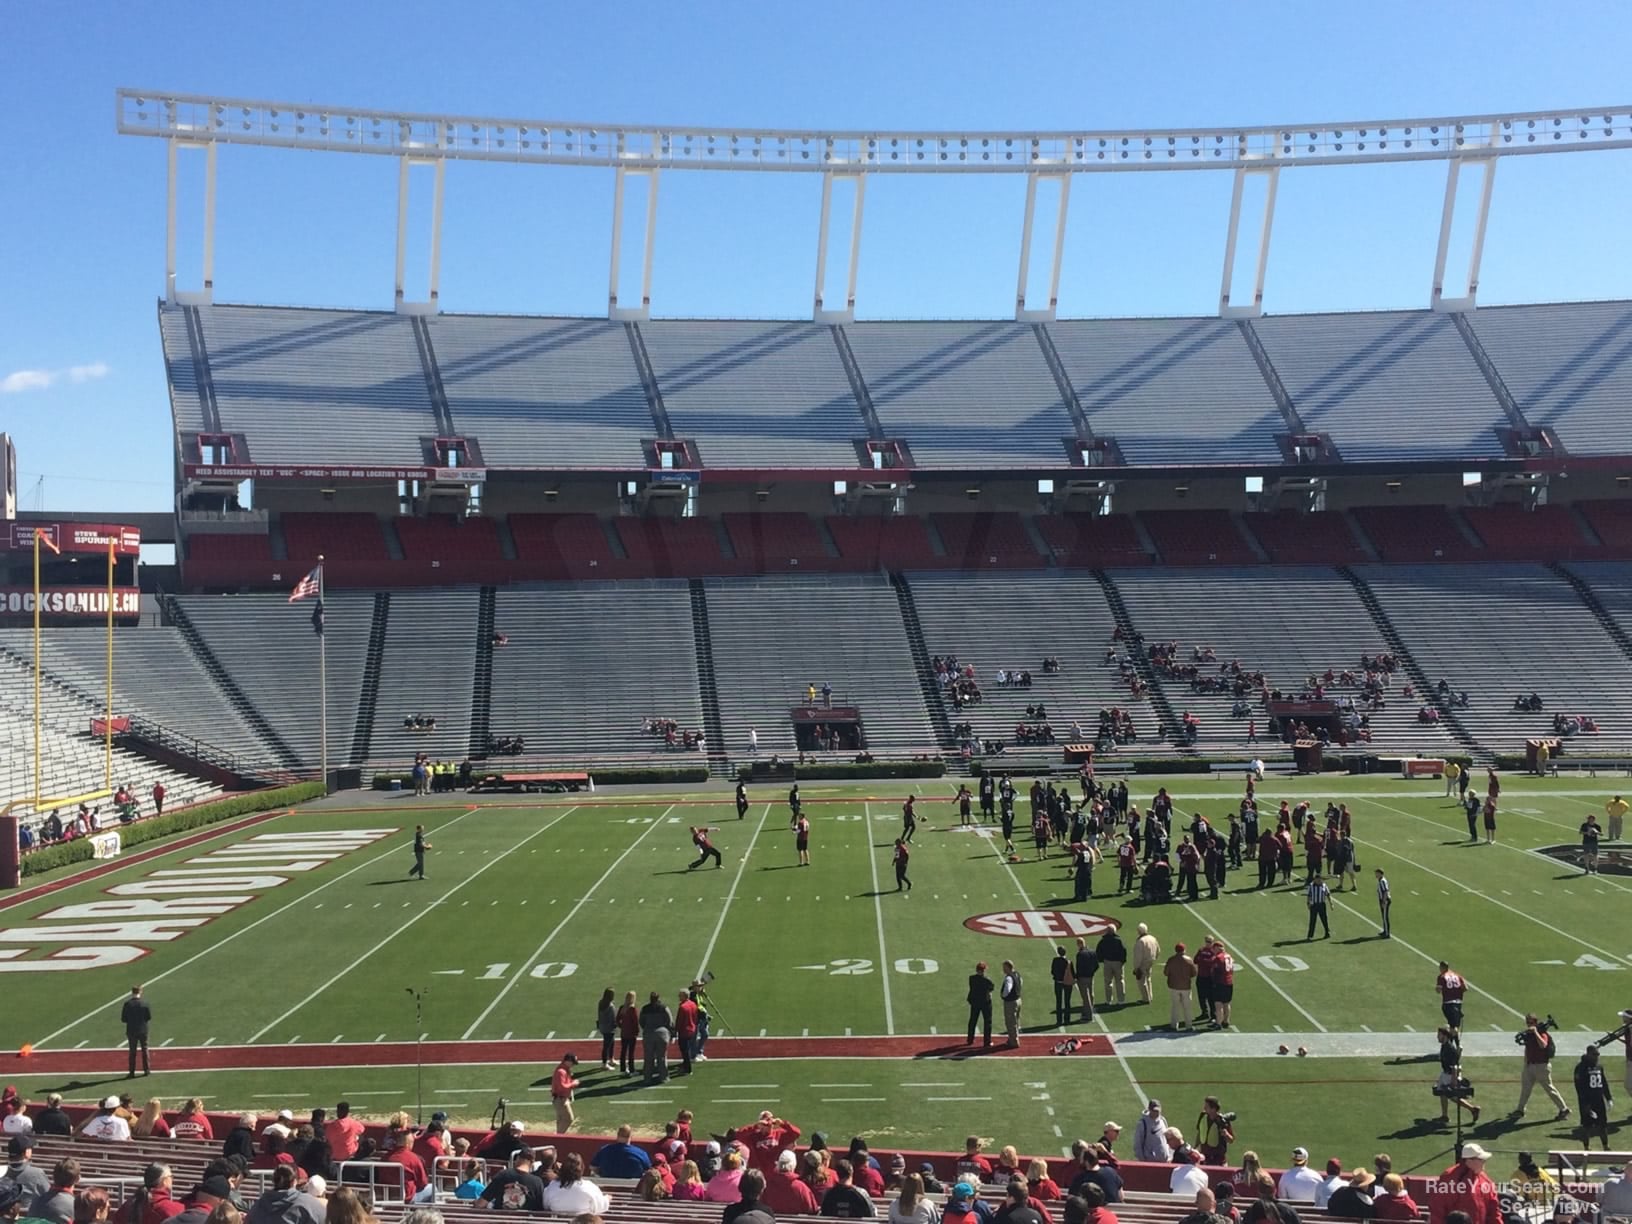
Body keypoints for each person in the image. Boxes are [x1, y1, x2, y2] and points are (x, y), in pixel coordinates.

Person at [1513, 1014, 1571, 1120]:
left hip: (1541, 1066)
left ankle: (1564, 1109)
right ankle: (1520, 1110)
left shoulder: (1543, 1034)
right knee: (1525, 1089)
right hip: (1530, 1065)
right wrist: (1526, 1062)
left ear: (1535, 1023)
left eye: (1531, 1022)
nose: (1529, 1025)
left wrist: (1535, 1032)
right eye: (1527, 1022)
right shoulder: (1529, 1035)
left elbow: (1543, 1045)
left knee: (1550, 1089)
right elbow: (1527, 1048)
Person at [1426, 1143, 1499, 1224]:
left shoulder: (1485, 1180)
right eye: (1482, 1160)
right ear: (1469, 1160)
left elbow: (1494, 1211)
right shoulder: (1449, 1179)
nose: (1484, 1163)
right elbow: (1437, 1210)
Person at [1573, 1044, 1614, 1150]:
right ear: (1588, 1054)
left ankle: (1606, 1146)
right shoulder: (1580, 1067)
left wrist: (1608, 1098)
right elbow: (1579, 1087)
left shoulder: (1599, 1067)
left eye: (1598, 1054)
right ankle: (1586, 1147)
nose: (1596, 1057)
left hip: (1599, 1100)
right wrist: (1585, 1104)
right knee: (1587, 1126)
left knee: (1603, 1124)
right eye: (1594, 1054)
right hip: (1587, 1100)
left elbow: (1604, 1083)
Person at [542, 1154, 609, 1217]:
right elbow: (600, 1206)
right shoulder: (589, 1187)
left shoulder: (552, 1186)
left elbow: (545, 1205)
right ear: (582, 1168)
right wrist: (607, 1199)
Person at [122, 986, 152, 1079]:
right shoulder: (145, 1003)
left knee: (132, 1051)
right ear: (140, 992)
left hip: (131, 1030)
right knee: (145, 1049)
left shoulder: (127, 1004)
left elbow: (123, 1019)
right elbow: (148, 1017)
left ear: (132, 992)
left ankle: (131, 1072)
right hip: (143, 1029)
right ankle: (146, 1070)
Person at [1165, 944, 1196, 1032]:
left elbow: (1166, 972)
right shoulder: (1189, 960)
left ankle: (1174, 1025)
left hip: (1174, 986)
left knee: (1175, 1006)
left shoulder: (1171, 960)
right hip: (1186, 986)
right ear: (1184, 950)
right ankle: (1189, 1026)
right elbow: (1194, 973)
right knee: (1187, 1007)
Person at [1195, 1098, 1233, 1165]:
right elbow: (1200, 1133)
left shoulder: (1222, 1121)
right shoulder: (1203, 1116)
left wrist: (1226, 1134)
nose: (1204, 1108)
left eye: (1207, 1107)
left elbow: (1231, 1140)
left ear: (1213, 1109)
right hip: (1203, 1158)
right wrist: (1195, 1148)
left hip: (1218, 1160)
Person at [550, 1052, 580, 1133]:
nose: (573, 1065)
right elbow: (562, 1086)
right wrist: (573, 1084)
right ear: (568, 1061)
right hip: (561, 1099)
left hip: (560, 1099)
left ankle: (558, 1135)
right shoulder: (561, 1072)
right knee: (568, 1119)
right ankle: (559, 1136)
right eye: (573, 1063)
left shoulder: (564, 1070)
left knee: (561, 1119)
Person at [1096, 928, 1127, 1008]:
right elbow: (1123, 951)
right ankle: (1121, 1000)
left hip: (1107, 962)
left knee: (1108, 982)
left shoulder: (1103, 940)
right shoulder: (1118, 940)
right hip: (1118, 963)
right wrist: (1122, 961)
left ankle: (1108, 1000)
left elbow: (1098, 950)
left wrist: (1101, 960)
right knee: (1120, 981)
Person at [967, 962, 994, 1049]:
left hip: (975, 1002)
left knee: (973, 1020)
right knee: (987, 1022)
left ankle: (970, 1039)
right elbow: (991, 987)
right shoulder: (987, 980)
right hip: (985, 1003)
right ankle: (987, 1041)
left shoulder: (971, 978)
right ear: (984, 970)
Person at [1131, 924, 1160, 1005]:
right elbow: (1158, 950)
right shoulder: (1153, 938)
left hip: (1143, 962)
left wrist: (1136, 968)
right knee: (1148, 979)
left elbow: (1138, 956)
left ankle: (1145, 999)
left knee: (1141, 981)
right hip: (1151, 961)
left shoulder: (1140, 941)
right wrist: (1154, 958)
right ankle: (1150, 996)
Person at [1436, 962, 1466, 1036]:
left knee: (1453, 1026)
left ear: (1442, 967)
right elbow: (1465, 988)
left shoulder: (1442, 977)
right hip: (1458, 1003)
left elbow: (1438, 990)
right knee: (1454, 1026)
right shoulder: (1457, 975)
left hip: (1448, 1003)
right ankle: (1455, 1044)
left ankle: (1454, 1044)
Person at [1073, 938, 1099, 1023]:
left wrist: (1076, 977)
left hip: (1083, 977)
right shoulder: (1092, 952)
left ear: (1079, 944)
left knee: (1085, 996)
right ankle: (1087, 1012)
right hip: (1090, 976)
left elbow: (1079, 967)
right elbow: (1096, 965)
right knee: (1091, 994)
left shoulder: (1080, 954)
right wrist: (1091, 972)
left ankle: (1088, 1015)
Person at [1000, 960, 1023, 1047]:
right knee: (1016, 1021)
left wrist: (1003, 995)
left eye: (1004, 967)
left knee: (1010, 1022)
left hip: (1011, 1002)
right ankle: (1013, 1038)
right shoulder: (1017, 974)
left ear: (1008, 967)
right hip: (1018, 1000)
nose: (1003, 969)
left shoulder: (1009, 978)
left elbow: (1007, 990)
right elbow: (1021, 983)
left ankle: (1014, 1042)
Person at [1051, 946, 1075, 1027]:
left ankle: (1059, 1020)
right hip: (1067, 983)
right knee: (1067, 1001)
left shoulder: (1055, 960)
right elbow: (1073, 973)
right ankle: (1067, 1020)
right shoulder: (1068, 961)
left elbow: (1052, 971)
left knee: (1059, 1001)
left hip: (1058, 982)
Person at [1304, 874, 1330, 941]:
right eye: (1317, 880)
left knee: (1324, 919)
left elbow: (1328, 894)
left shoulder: (1324, 885)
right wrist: (1308, 903)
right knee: (1312, 920)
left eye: (1319, 879)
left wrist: (1331, 903)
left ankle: (1327, 932)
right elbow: (1309, 895)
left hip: (1322, 904)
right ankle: (1310, 936)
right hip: (1314, 905)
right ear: (1314, 879)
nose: (1318, 881)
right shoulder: (1311, 886)